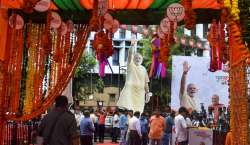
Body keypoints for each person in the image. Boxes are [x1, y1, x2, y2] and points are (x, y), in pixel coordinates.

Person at [117, 38, 150, 113]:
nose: (138, 59)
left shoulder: (144, 69)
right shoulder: (131, 65)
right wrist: (131, 46)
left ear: (141, 60)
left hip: (140, 92)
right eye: (136, 58)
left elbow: (146, 83)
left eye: (139, 58)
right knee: (130, 109)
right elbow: (129, 55)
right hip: (130, 91)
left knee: (138, 111)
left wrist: (148, 93)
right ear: (133, 59)